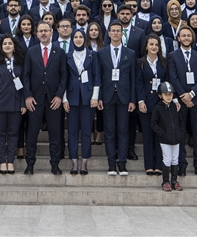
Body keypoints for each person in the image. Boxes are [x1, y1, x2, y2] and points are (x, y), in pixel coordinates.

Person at [23, 21, 68, 175]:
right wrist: (27, 96)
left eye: (46, 31)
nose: (43, 33)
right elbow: (26, 76)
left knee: (55, 134)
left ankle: (55, 164)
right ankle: (30, 164)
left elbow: (64, 77)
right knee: (32, 133)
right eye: (40, 31)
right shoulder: (31, 51)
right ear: (37, 34)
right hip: (35, 100)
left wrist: (59, 95)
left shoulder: (59, 52)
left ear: (51, 33)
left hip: (53, 100)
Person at [96, 21, 136, 176]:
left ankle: (122, 163)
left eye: (118, 31)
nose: (115, 33)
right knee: (110, 130)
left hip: (124, 96)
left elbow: (133, 77)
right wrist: (99, 97)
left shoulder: (130, 53)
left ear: (122, 33)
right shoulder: (102, 53)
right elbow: (99, 76)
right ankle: (111, 164)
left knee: (123, 130)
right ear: (109, 33)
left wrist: (133, 99)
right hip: (107, 96)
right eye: (113, 31)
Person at [167, 25, 197, 176]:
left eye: (188, 35)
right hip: (180, 101)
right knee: (181, 134)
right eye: (183, 36)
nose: (186, 38)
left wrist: (191, 94)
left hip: (196, 100)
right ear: (178, 38)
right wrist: (184, 96)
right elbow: (172, 77)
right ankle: (181, 165)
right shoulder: (173, 55)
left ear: (192, 38)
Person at [0, 35, 27, 174]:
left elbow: (24, 85)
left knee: (13, 133)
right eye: (5, 43)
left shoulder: (20, 62)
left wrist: (23, 103)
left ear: (14, 46)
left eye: (10, 43)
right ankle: (2, 161)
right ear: (1, 46)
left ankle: (10, 161)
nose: (8, 46)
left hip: (16, 103)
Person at [64, 28, 99, 175]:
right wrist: (64, 98)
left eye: (80, 37)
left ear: (85, 39)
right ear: (72, 39)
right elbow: (63, 79)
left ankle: (84, 162)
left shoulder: (93, 55)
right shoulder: (67, 56)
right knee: (72, 132)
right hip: (72, 98)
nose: (78, 39)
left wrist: (95, 96)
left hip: (88, 98)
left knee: (86, 131)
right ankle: (74, 162)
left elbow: (96, 77)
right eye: (75, 37)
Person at [135, 34, 167, 176]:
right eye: (151, 44)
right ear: (146, 46)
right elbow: (139, 83)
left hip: (161, 104)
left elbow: (167, 82)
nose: (154, 47)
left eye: (156, 45)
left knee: (159, 135)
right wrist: (141, 101)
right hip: (146, 103)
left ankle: (159, 165)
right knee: (147, 135)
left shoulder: (164, 62)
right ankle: (149, 165)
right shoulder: (140, 63)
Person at [150, 82, 184, 192]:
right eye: (166, 94)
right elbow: (154, 123)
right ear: (160, 95)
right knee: (167, 159)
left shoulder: (175, 107)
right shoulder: (158, 108)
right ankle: (165, 181)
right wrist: (162, 133)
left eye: (170, 94)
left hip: (176, 139)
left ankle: (174, 180)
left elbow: (180, 121)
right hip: (165, 140)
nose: (168, 96)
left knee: (175, 159)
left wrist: (180, 132)